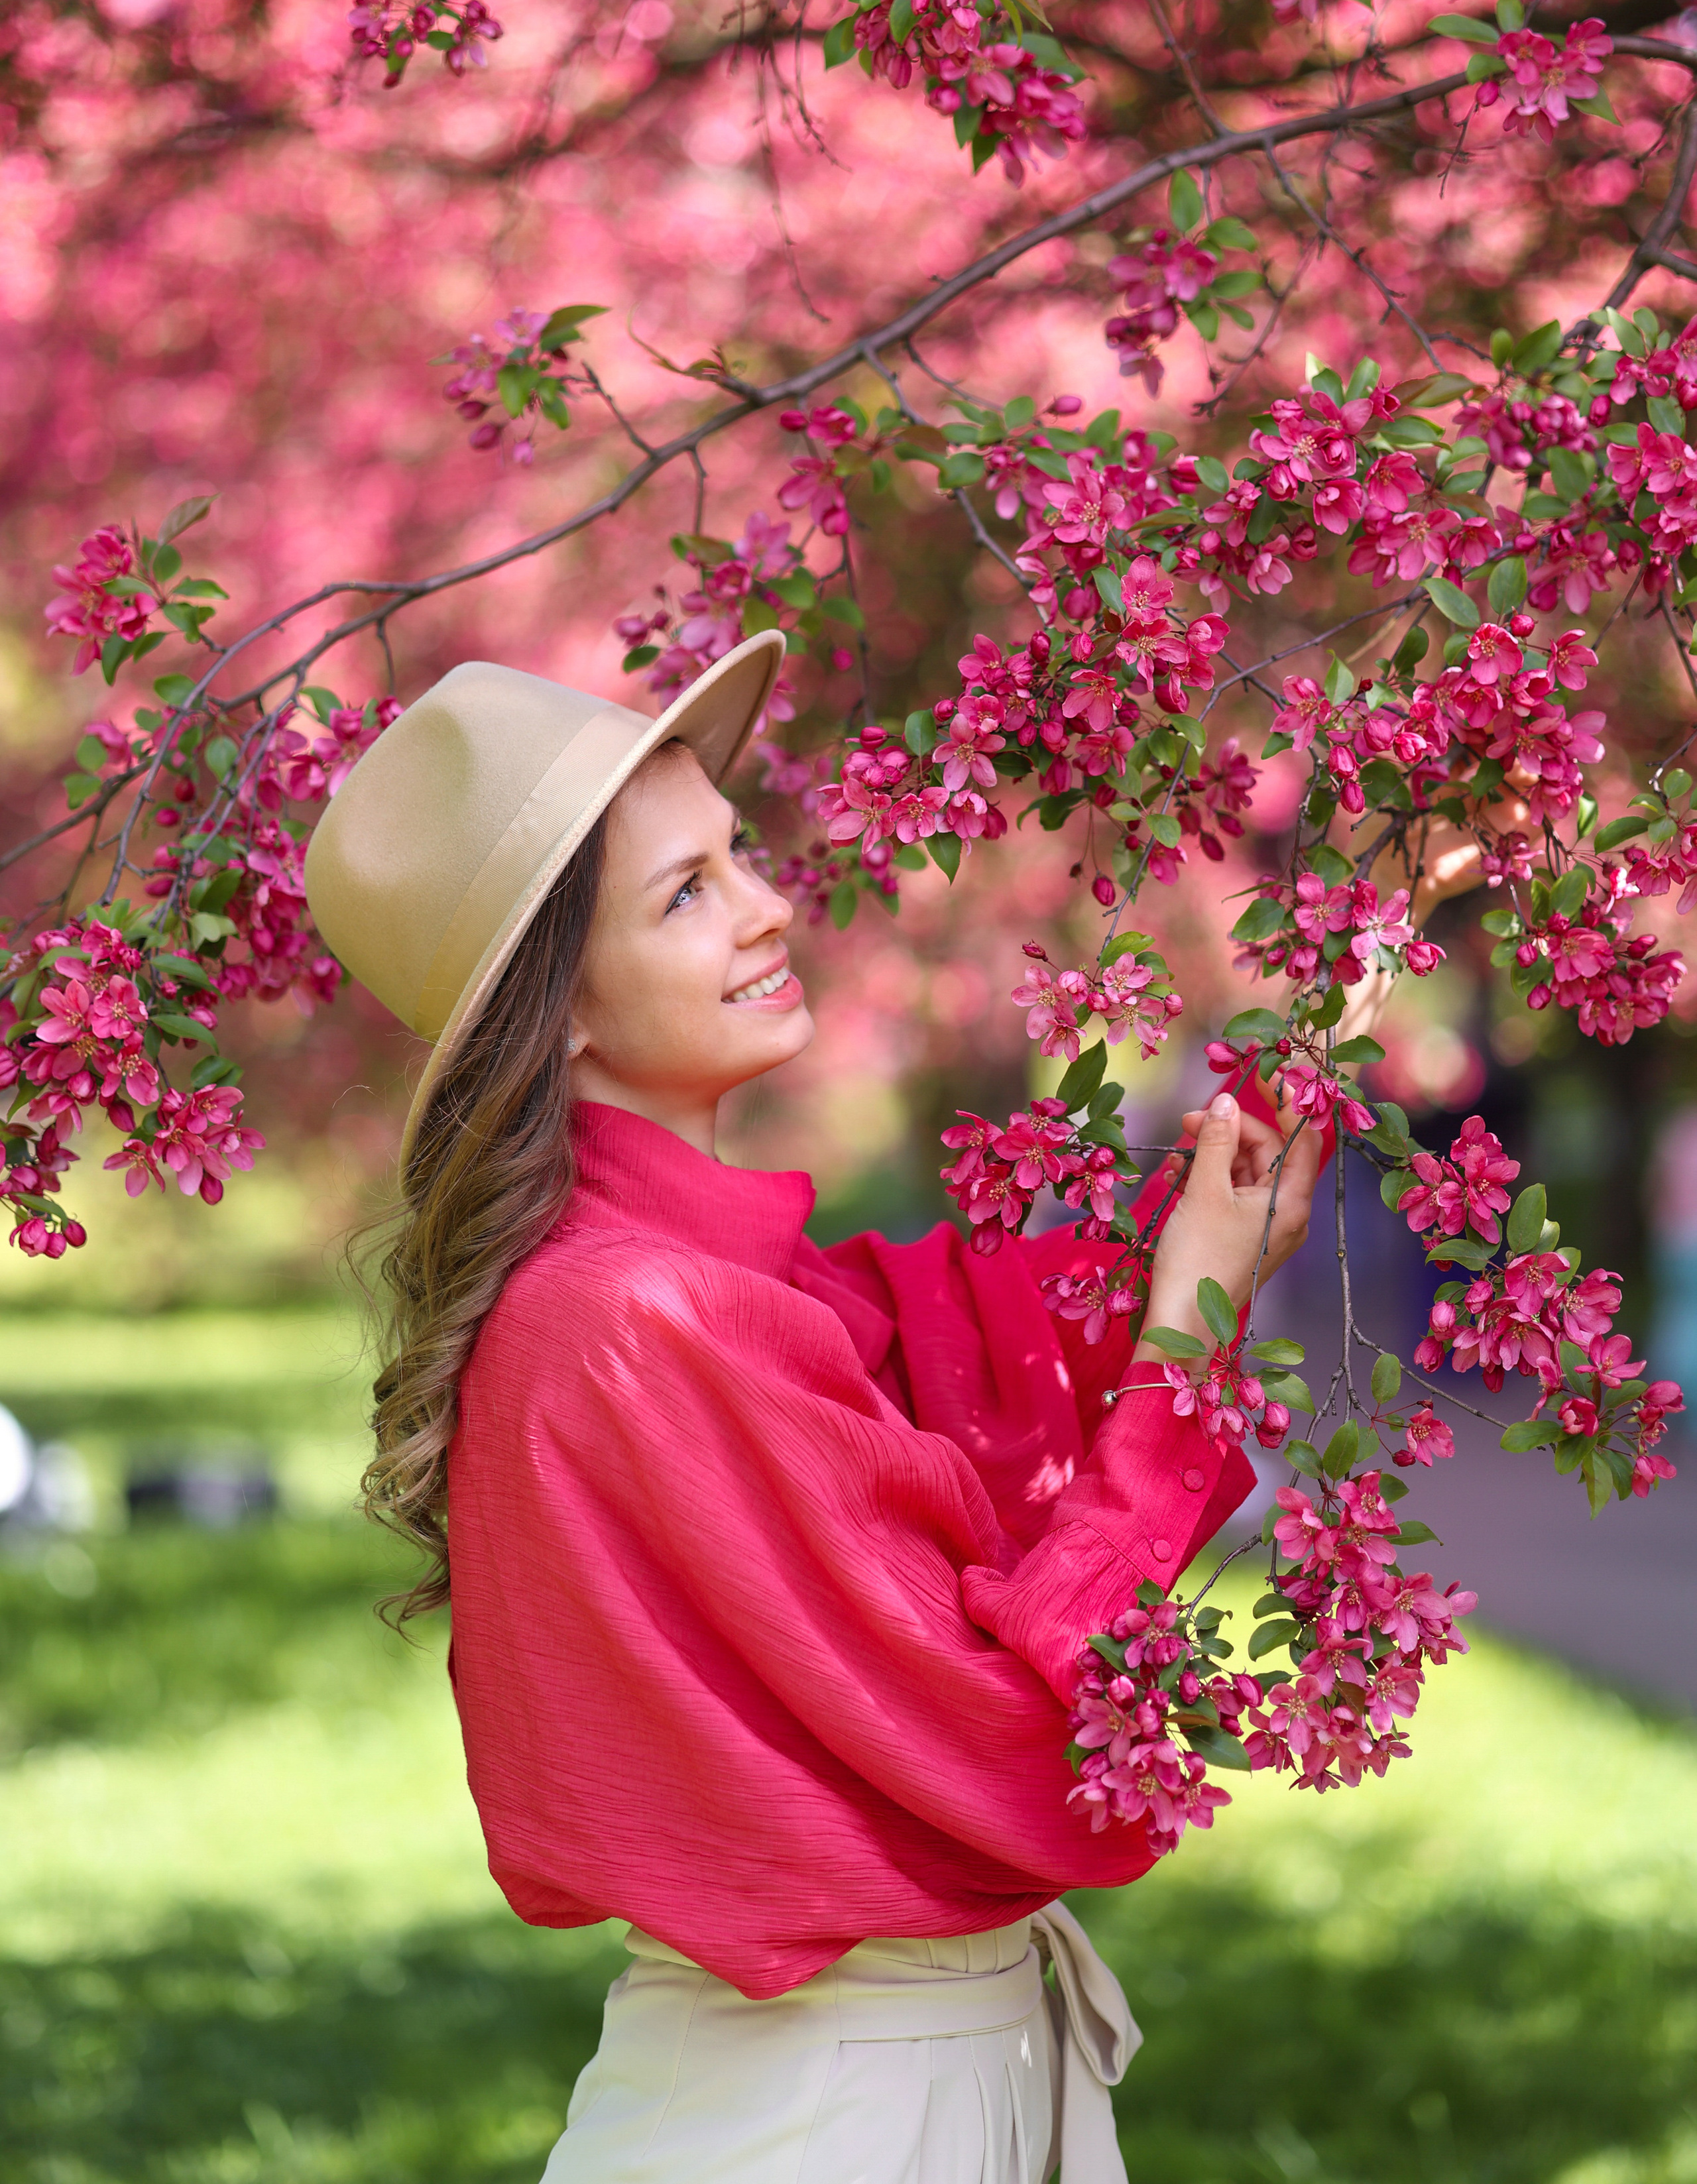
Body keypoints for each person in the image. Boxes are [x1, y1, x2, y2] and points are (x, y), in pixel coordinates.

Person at [305, 630, 1325, 2184]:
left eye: (735, 856)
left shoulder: (724, 1290)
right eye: (687, 892)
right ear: (558, 1011)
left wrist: (1197, 1224)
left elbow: (963, 1362)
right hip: (821, 2116)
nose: (772, 905)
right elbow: (999, 1724)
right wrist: (1186, 1311)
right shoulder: (635, 1323)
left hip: (888, 2088)